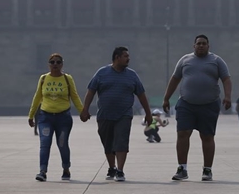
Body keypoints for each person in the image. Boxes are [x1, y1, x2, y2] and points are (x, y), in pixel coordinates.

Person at [163, 34, 232, 182]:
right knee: (182, 134)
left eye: (204, 43)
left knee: (207, 136)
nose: (201, 46)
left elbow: (226, 79)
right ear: (193, 46)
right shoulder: (185, 60)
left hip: (209, 104)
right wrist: (166, 98)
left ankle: (207, 170)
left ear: (208, 46)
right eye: (198, 43)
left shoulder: (217, 61)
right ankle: (182, 168)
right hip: (186, 104)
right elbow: (175, 79)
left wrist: (228, 96)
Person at [80, 46, 153, 182]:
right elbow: (91, 91)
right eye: (126, 56)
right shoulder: (102, 73)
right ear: (117, 57)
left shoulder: (132, 75)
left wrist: (148, 114)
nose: (128, 59)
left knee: (121, 141)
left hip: (124, 114)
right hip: (104, 114)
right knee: (107, 143)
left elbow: (141, 94)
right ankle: (111, 167)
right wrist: (85, 109)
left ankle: (120, 170)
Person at [28, 53, 84, 182]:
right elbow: (37, 97)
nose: (55, 65)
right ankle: (42, 171)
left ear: (62, 64)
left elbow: (74, 96)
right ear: (48, 64)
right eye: (52, 62)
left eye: (58, 62)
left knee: (62, 144)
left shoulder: (67, 79)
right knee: (45, 144)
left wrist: (82, 112)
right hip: (45, 117)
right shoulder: (43, 78)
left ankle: (66, 168)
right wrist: (31, 115)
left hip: (63, 118)